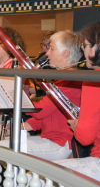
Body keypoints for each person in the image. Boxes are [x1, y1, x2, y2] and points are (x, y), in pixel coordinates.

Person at [0, 30, 82, 161]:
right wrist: (17, 128)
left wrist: (13, 99)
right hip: (51, 139)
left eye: (52, 49)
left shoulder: (71, 80)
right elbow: (45, 118)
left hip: (61, 143)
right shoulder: (62, 78)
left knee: (1, 148)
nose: (47, 53)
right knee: (5, 144)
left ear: (65, 53)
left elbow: (41, 111)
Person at [54, 22, 100, 181]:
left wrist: (77, 125)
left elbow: (85, 138)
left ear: (96, 47)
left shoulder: (92, 79)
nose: (84, 51)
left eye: (86, 46)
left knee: (36, 175)